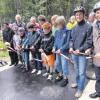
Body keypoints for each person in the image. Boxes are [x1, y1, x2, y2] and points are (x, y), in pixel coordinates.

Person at [69, 6, 93, 98]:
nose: (78, 16)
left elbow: (89, 42)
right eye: (76, 14)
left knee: (82, 72)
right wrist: (71, 47)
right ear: (75, 16)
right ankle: (78, 83)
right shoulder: (74, 27)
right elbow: (71, 39)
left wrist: (81, 49)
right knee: (77, 70)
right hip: (74, 53)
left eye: (80, 14)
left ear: (83, 15)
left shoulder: (88, 27)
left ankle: (80, 89)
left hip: (82, 54)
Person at [52, 16, 70, 87]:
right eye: (57, 25)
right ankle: (60, 75)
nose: (58, 26)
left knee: (64, 65)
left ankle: (66, 79)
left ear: (62, 23)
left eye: (58, 24)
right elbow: (55, 42)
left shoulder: (68, 31)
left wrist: (61, 49)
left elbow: (68, 43)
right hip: (57, 51)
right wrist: (54, 48)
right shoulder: (57, 31)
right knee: (58, 63)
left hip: (64, 52)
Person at [89, 2, 100, 98]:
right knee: (98, 77)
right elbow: (93, 40)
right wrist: (90, 48)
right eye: (97, 12)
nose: (98, 14)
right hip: (97, 58)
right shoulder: (94, 25)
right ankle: (98, 92)